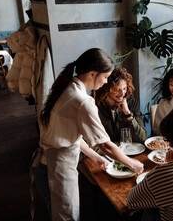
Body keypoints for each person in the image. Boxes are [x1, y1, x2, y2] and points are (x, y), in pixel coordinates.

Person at [32, 48, 144, 221]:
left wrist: (93, 156)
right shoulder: (84, 101)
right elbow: (105, 145)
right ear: (92, 74)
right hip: (57, 166)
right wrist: (132, 164)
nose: (105, 82)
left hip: (44, 164)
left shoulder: (67, 87)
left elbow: (70, 133)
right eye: (105, 77)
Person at [94, 67, 147, 144]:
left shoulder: (131, 102)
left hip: (129, 151)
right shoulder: (95, 105)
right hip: (105, 153)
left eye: (124, 88)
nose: (122, 94)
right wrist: (118, 147)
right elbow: (91, 143)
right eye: (116, 89)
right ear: (106, 89)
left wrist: (128, 114)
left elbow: (142, 138)